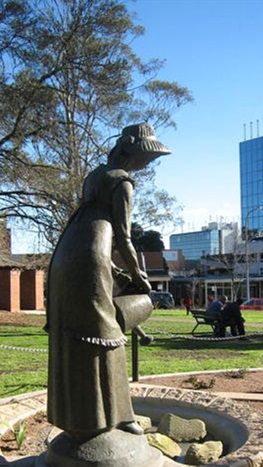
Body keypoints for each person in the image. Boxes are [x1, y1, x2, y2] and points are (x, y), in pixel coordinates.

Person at [46, 123, 171, 438]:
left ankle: (80, 415)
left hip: (67, 254)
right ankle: (115, 416)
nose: (149, 164)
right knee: (106, 332)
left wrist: (119, 274)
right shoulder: (122, 183)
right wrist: (139, 277)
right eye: (149, 158)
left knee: (76, 334)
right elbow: (124, 238)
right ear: (135, 152)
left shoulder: (95, 175)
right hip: (92, 254)